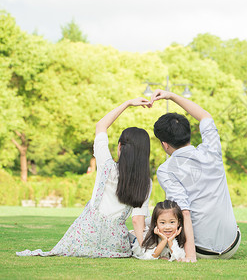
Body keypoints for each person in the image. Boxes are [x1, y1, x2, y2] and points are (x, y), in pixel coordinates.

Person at [16, 98, 152, 258]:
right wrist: (144, 250)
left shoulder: (106, 166)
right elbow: (137, 220)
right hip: (115, 243)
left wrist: (127, 103)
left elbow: (100, 125)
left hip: (84, 235)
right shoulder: (145, 182)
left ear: (120, 146)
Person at [150, 89, 241, 262]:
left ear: (165, 145)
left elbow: (184, 212)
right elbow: (205, 116)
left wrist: (190, 255)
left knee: (154, 222)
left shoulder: (166, 170)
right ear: (188, 133)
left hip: (201, 250)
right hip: (233, 243)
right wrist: (171, 95)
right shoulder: (211, 150)